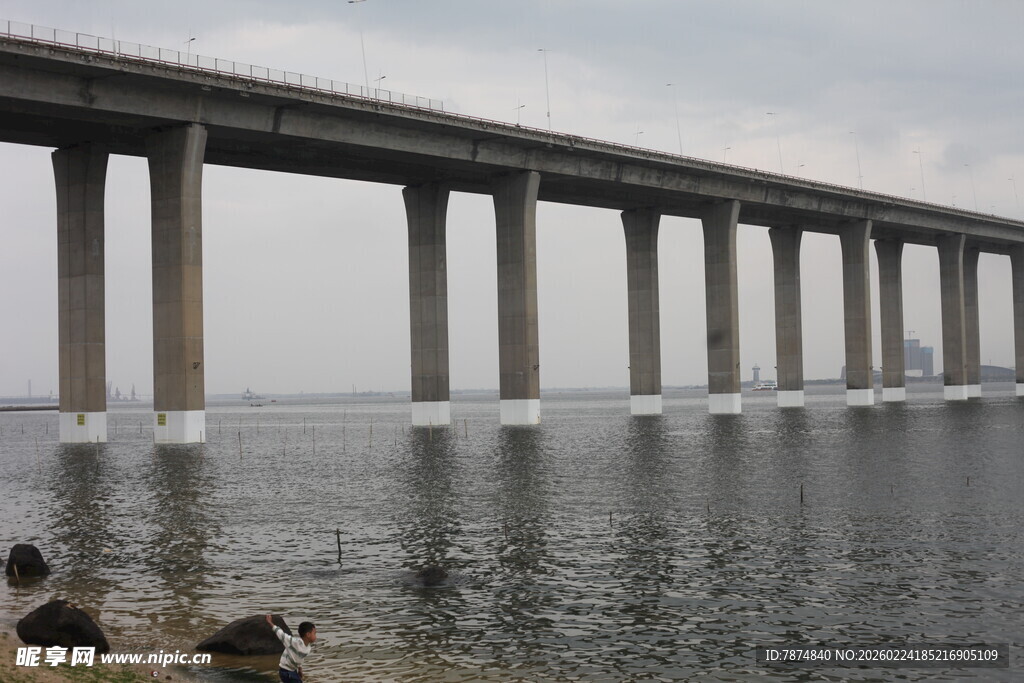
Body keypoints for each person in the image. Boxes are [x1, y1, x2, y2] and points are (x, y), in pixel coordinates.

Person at [265, 614, 316, 682]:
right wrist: (270, 622)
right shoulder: (294, 642)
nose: (316, 636)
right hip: (286, 671)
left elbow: (299, 658)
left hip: (292, 670)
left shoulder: (308, 648)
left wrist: (300, 669)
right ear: (308, 634)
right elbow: (281, 634)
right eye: (314, 633)